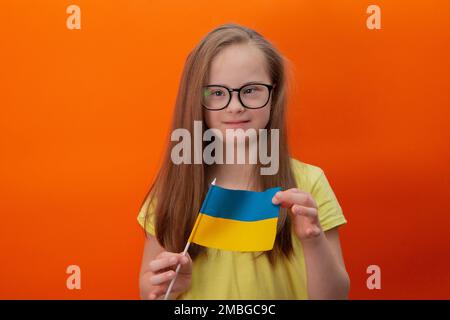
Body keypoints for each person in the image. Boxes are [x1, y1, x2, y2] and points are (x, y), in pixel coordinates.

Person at [137, 23, 349, 300]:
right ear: (195, 100)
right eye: (217, 93)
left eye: (250, 90)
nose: (235, 106)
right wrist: (163, 286)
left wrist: (313, 239)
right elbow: (146, 289)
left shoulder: (309, 183)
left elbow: (335, 297)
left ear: (274, 94)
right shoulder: (173, 189)